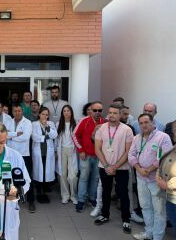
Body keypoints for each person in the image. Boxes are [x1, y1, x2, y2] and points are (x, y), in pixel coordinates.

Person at [129, 113, 173, 240]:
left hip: (156, 180)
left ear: (153, 123)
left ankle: (157, 237)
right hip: (141, 177)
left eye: (146, 122)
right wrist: (138, 168)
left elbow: (165, 157)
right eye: (141, 123)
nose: (144, 125)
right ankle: (148, 233)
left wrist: (148, 169)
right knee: (145, 207)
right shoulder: (137, 138)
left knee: (159, 210)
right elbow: (131, 155)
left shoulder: (163, 137)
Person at [94, 104, 134, 234]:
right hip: (104, 167)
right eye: (110, 112)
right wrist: (106, 165)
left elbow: (128, 152)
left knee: (123, 193)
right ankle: (105, 215)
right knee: (105, 192)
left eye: (115, 113)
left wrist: (115, 166)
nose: (112, 115)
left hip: (121, 168)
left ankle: (126, 219)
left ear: (120, 114)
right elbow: (97, 149)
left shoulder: (127, 130)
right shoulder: (101, 128)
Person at [73, 101, 106, 212]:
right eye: (95, 110)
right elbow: (75, 135)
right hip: (86, 155)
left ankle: (92, 198)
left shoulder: (105, 122)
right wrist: (81, 150)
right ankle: (81, 200)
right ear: (90, 110)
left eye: (99, 110)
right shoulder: (84, 121)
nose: (97, 112)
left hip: (99, 156)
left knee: (96, 178)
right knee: (83, 178)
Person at [7, 104, 34, 212]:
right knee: (13, 177)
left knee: (27, 178)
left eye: (19, 111)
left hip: (24, 154)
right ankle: (15, 199)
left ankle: (31, 201)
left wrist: (12, 137)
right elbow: (5, 134)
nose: (17, 113)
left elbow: (26, 137)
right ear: (12, 112)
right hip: (11, 154)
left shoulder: (27, 122)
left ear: (22, 111)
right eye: (15, 111)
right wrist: (16, 134)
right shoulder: (9, 121)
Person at [32, 107, 57, 203]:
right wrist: (45, 137)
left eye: (47, 115)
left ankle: (44, 193)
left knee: (46, 173)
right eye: (43, 114)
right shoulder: (34, 124)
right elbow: (34, 137)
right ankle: (39, 193)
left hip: (48, 152)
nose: (45, 116)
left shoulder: (50, 124)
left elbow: (54, 135)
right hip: (38, 152)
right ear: (39, 114)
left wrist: (47, 127)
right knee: (39, 172)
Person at [56, 105, 78, 204]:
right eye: (64, 111)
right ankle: (65, 195)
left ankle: (73, 196)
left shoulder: (76, 123)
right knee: (63, 174)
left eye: (68, 110)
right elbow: (56, 139)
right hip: (62, 151)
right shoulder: (59, 124)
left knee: (72, 176)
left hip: (72, 151)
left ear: (71, 112)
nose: (66, 112)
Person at [157, 145, 176, 236]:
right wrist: (158, 178)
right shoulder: (173, 148)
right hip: (170, 196)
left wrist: (168, 184)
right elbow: (162, 162)